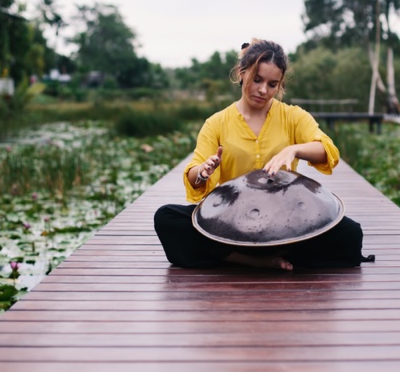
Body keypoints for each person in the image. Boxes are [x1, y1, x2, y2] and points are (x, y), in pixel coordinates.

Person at [154, 39, 369, 271]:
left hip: (285, 221)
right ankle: (256, 260)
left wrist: (294, 149)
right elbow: (194, 177)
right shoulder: (216, 123)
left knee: (351, 236)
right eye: (257, 80)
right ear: (242, 73)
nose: (263, 90)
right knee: (167, 218)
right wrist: (204, 171)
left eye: (272, 84)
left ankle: (256, 254)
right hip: (231, 223)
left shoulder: (292, 116)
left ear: (280, 85)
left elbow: (327, 150)